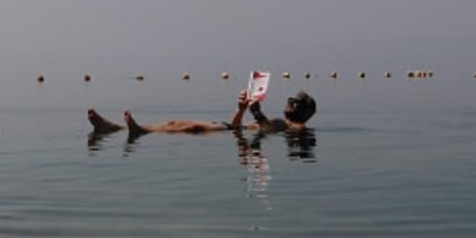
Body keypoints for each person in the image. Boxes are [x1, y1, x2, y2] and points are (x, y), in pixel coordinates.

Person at [87, 89, 316, 137]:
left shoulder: (297, 128)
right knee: (176, 122)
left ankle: (135, 130)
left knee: (189, 127)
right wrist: (241, 110)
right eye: (290, 100)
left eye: (295, 103)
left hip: (229, 132)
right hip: (232, 129)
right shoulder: (280, 122)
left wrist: (257, 114)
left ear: (304, 113)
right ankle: (115, 128)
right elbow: (237, 125)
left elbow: (265, 131)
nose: (290, 103)